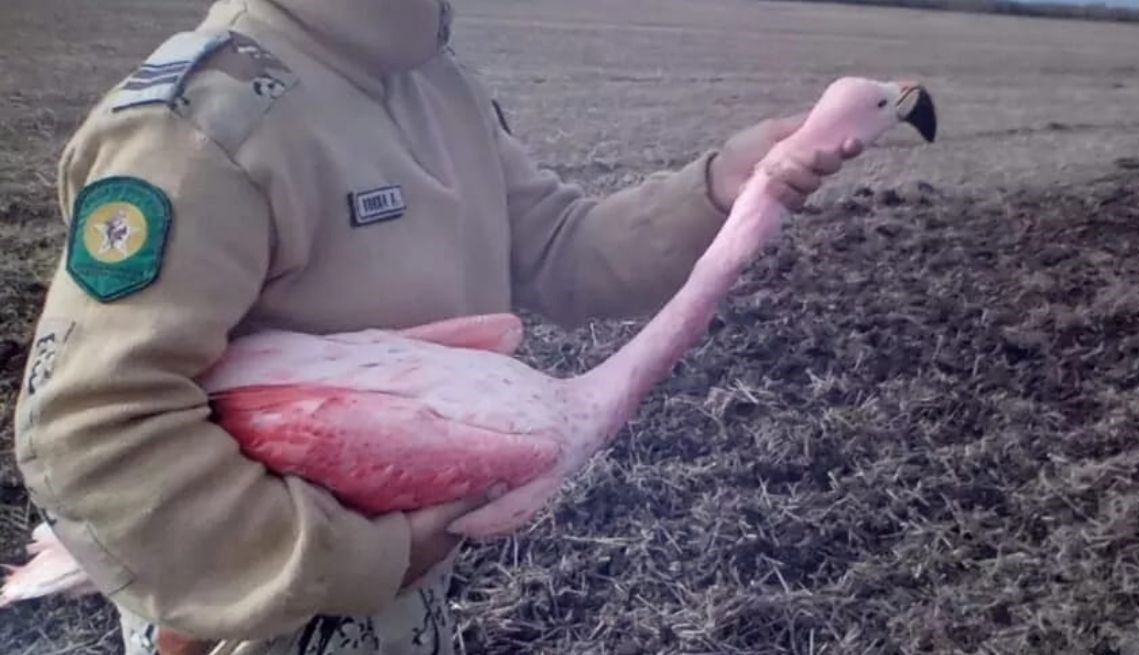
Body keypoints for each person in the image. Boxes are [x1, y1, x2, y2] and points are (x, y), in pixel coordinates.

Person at [11, 0, 863, 653]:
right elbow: (98, 428)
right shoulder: (201, 126)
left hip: (405, 597)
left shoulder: (433, 83)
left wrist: (720, 187)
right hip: (251, 610)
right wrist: (362, 560)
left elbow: (559, 249)